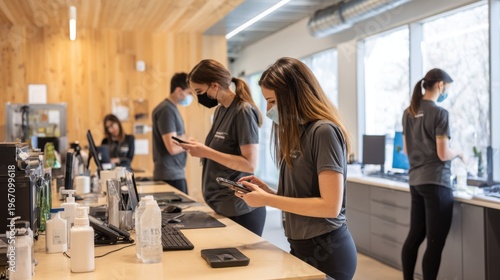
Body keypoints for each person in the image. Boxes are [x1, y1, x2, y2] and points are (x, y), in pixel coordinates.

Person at [235, 57, 357, 280]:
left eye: (272, 101)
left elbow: (330, 206)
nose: (268, 109)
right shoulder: (297, 132)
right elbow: (304, 197)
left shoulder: (324, 132)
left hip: (327, 250)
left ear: (294, 96)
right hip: (299, 245)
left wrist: (267, 200)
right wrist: (269, 193)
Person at [180, 59, 266, 236]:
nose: (199, 98)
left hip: (240, 209)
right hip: (220, 204)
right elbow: (219, 151)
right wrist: (200, 148)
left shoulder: (243, 111)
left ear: (214, 85)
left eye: (199, 91)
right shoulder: (220, 111)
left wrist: (205, 151)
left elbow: (249, 164)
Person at [401, 68, 464, 280]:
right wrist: (459, 153)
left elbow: (408, 151)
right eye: (447, 87)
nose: (446, 91)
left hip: (416, 182)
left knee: (415, 237)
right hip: (436, 183)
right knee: (435, 243)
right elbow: (443, 153)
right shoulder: (440, 113)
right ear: (440, 85)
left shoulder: (408, 112)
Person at [152, 72, 193, 194]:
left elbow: (176, 139)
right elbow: (172, 147)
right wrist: (189, 143)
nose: (190, 96)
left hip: (174, 173)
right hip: (170, 175)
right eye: (189, 93)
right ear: (179, 90)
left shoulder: (172, 108)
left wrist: (182, 139)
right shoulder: (166, 110)